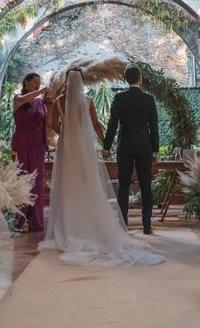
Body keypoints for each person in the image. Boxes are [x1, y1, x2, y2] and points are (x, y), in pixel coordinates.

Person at [41, 69, 164, 265]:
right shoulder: (89, 102)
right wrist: (103, 144)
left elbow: (52, 124)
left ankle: (80, 226)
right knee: (138, 184)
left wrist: (67, 133)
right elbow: (99, 125)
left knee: (75, 183)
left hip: (73, 146)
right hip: (131, 147)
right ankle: (146, 225)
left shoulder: (60, 102)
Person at [102, 65, 159, 235]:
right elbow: (154, 128)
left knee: (124, 186)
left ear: (126, 79)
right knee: (146, 185)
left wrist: (106, 146)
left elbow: (112, 124)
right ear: (140, 78)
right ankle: (147, 225)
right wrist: (155, 150)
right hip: (144, 147)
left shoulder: (120, 98)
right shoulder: (149, 99)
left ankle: (122, 225)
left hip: (125, 147)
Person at [12, 73, 48, 232]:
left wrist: (47, 144)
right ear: (26, 82)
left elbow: (45, 124)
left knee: (38, 181)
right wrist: (41, 91)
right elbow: (25, 100)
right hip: (22, 141)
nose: (37, 85)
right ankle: (21, 219)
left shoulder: (41, 103)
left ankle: (36, 220)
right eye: (34, 82)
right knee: (23, 178)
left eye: (39, 83)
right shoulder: (18, 98)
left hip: (38, 143)